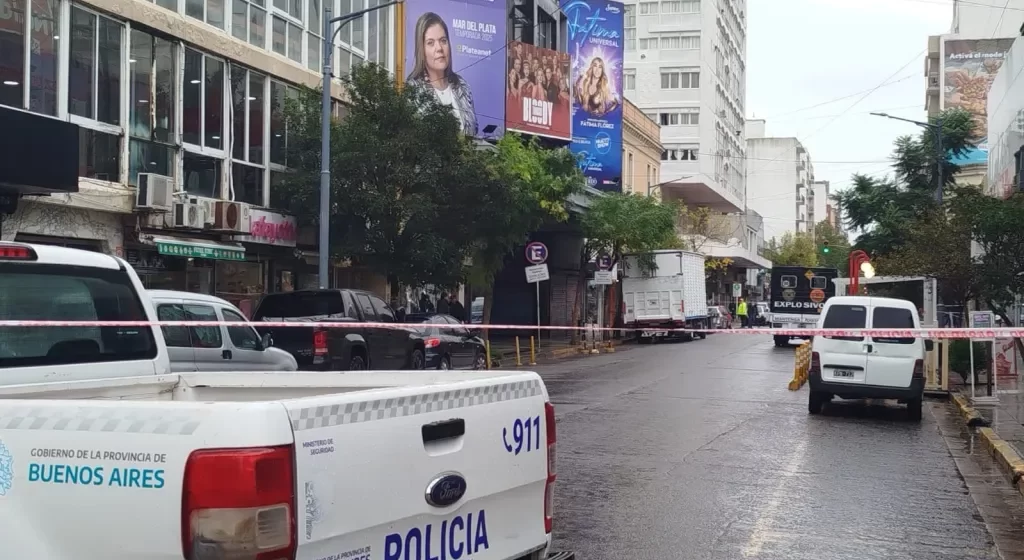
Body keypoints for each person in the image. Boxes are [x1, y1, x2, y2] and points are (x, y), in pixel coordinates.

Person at [406, 12, 478, 136]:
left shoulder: (462, 86)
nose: (439, 48)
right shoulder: (413, 90)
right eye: (430, 43)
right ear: (421, 50)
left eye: (443, 41)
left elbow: (473, 132)